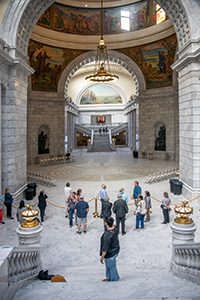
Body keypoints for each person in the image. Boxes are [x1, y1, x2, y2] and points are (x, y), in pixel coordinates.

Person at [100, 217, 120, 282]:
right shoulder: (115, 228)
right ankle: (109, 277)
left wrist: (102, 257)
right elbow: (113, 225)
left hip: (110, 253)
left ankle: (114, 278)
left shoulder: (108, 235)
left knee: (111, 266)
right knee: (109, 264)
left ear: (107, 224)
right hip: (116, 249)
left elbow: (105, 248)